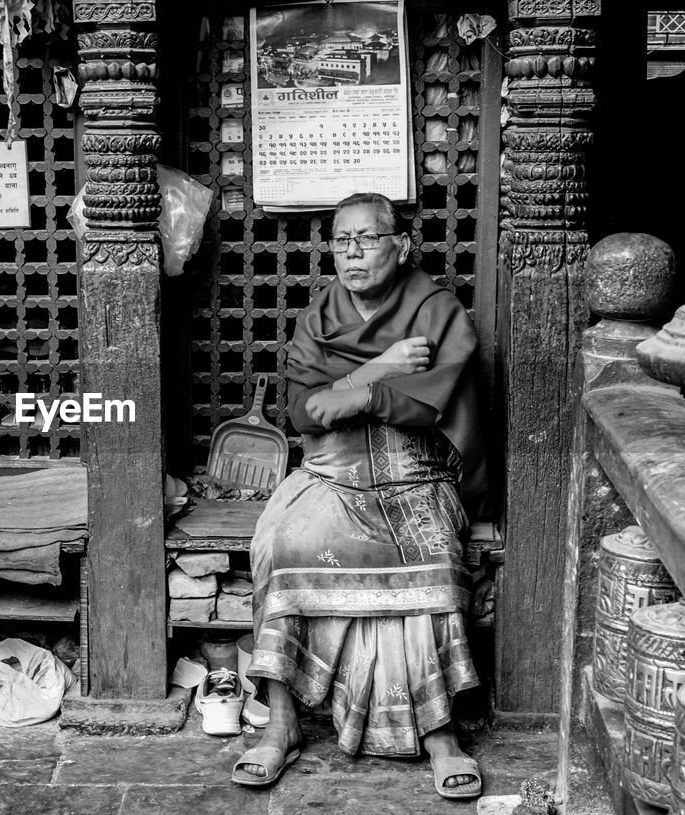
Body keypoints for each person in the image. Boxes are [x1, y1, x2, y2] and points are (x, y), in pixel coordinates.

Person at [231, 192, 487, 800]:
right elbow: (304, 413)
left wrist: (350, 396)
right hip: (329, 472)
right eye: (341, 240)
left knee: (431, 556)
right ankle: (282, 724)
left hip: (414, 472)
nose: (352, 252)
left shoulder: (437, 309)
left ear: (400, 246)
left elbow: (428, 402)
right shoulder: (318, 318)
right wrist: (381, 371)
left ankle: (441, 734)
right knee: (287, 543)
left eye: (367, 238)